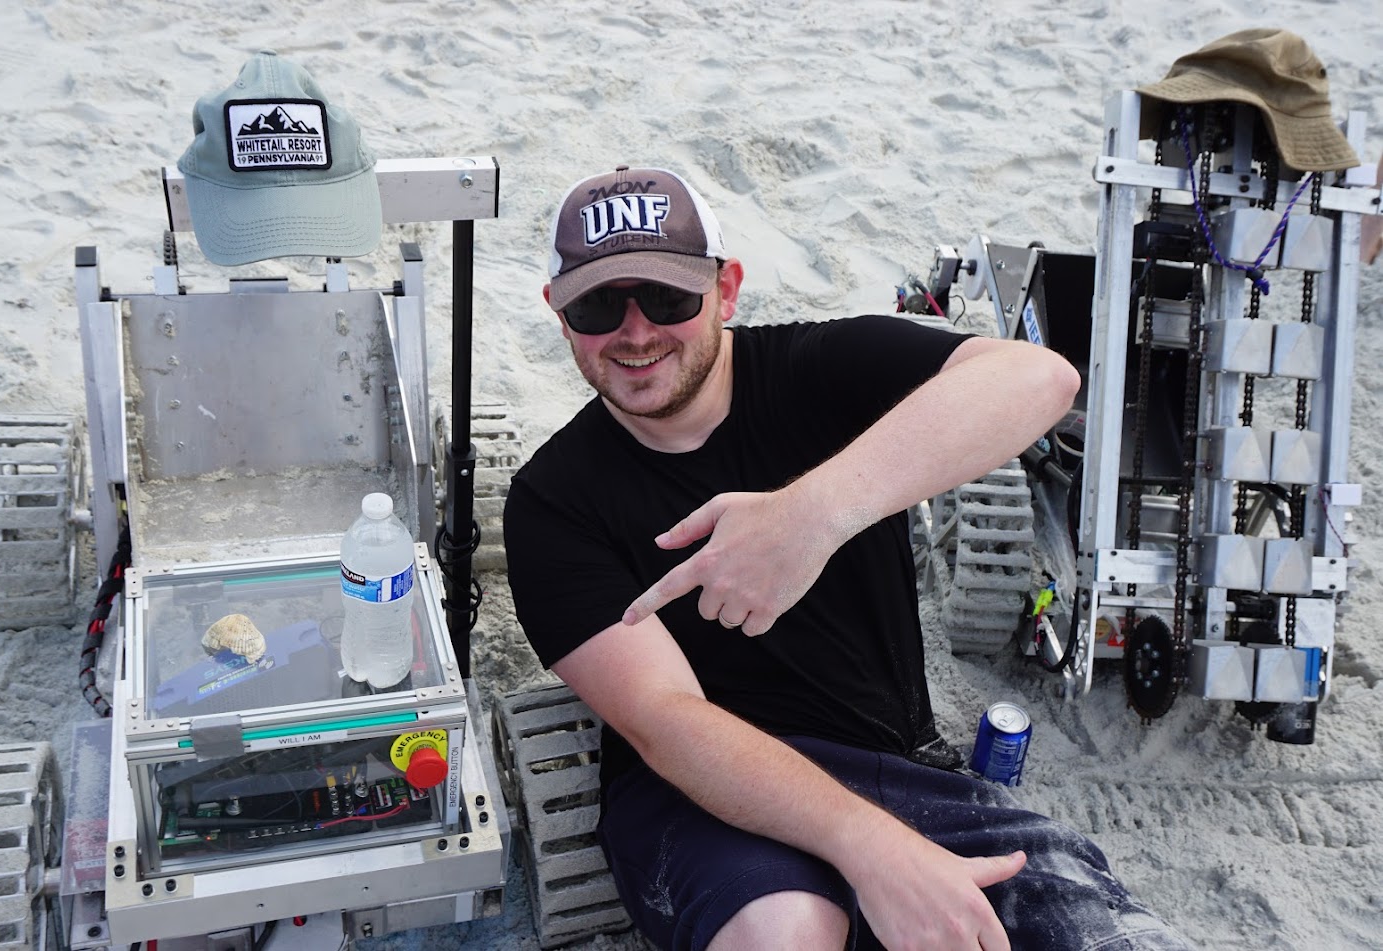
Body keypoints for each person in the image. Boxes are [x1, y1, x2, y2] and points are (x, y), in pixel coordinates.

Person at [504, 165, 1192, 951]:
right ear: (559, 314)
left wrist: (810, 514)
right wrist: (870, 848)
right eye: (597, 306)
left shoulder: (817, 369)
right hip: (698, 796)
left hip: (894, 767)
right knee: (785, 928)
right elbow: (667, 722)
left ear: (725, 290)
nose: (635, 333)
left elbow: (1039, 377)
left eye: (667, 298)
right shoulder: (553, 502)